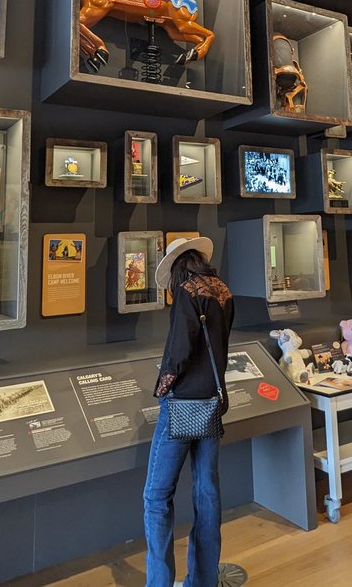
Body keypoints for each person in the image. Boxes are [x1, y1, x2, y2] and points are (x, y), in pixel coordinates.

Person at [143, 236, 234, 587]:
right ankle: (202, 580)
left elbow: (179, 351)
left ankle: (159, 583)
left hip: (181, 404)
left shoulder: (187, 292)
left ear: (178, 266)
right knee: (207, 491)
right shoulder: (223, 291)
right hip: (211, 403)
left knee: (156, 495)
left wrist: (163, 385)